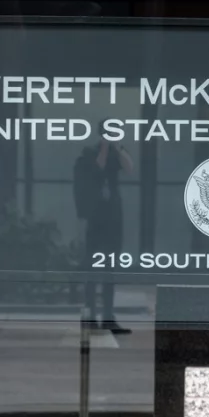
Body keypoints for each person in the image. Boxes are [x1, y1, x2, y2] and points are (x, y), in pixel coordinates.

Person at [73, 121, 133, 334]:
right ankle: (91, 315)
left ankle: (108, 316)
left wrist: (117, 147)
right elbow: (97, 168)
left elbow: (129, 168)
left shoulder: (119, 151)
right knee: (92, 268)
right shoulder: (90, 152)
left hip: (113, 217)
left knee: (110, 268)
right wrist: (106, 147)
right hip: (95, 216)